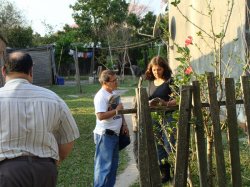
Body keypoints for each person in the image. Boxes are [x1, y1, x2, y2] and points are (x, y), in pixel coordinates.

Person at [0, 52, 80, 187]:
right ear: (31, 71)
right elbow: (69, 137)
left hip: (7, 173)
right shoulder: (53, 98)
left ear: (3, 71)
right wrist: (56, 161)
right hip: (45, 171)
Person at [93, 70, 129, 187]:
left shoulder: (113, 94)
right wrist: (116, 110)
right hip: (105, 136)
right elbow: (100, 116)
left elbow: (120, 111)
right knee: (103, 169)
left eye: (116, 80)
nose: (116, 83)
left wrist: (124, 124)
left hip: (115, 135)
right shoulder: (100, 96)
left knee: (112, 168)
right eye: (113, 81)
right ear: (105, 82)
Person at [144, 56, 176, 183]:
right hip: (155, 117)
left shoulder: (170, 81)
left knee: (169, 144)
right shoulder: (151, 83)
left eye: (159, 69)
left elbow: (179, 98)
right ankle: (165, 174)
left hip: (169, 116)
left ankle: (175, 170)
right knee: (159, 145)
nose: (156, 72)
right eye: (154, 70)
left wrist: (166, 103)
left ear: (164, 68)